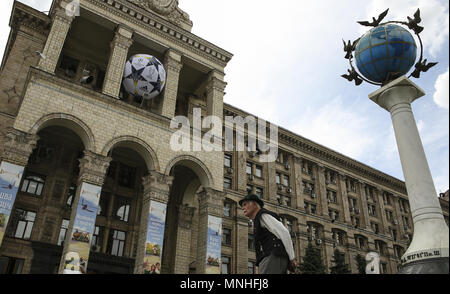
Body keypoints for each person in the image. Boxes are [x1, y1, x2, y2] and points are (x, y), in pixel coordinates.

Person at [239, 194, 297, 274]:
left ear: (255, 204)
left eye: (245, 204)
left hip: (273, 257)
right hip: (269, 257)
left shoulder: (263, 215)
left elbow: (284, 233)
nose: (243, 208)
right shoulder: (258, 219)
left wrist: (292, 258)